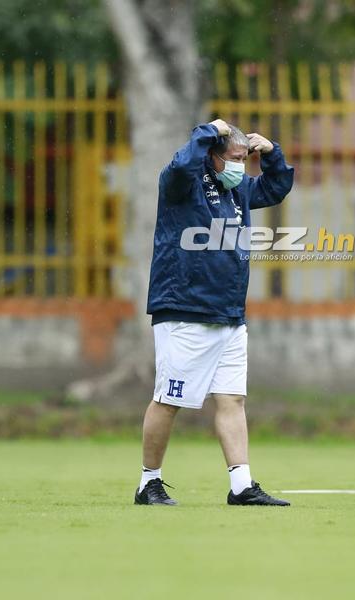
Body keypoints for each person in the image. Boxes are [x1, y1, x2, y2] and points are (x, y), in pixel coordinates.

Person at [135, 119, 295, 506]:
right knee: (168, 399)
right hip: (184, 310)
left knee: (232, 400)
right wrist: (208, 129)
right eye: (236, 158)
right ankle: (148, 483)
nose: (242, 165)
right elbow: (181, 164)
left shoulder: (236, 188)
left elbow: (275, 189)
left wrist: (272, 155)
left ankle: (241, 486)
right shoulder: (181, 182)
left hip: (228, 313)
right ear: (213, 156)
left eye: (246, 158)